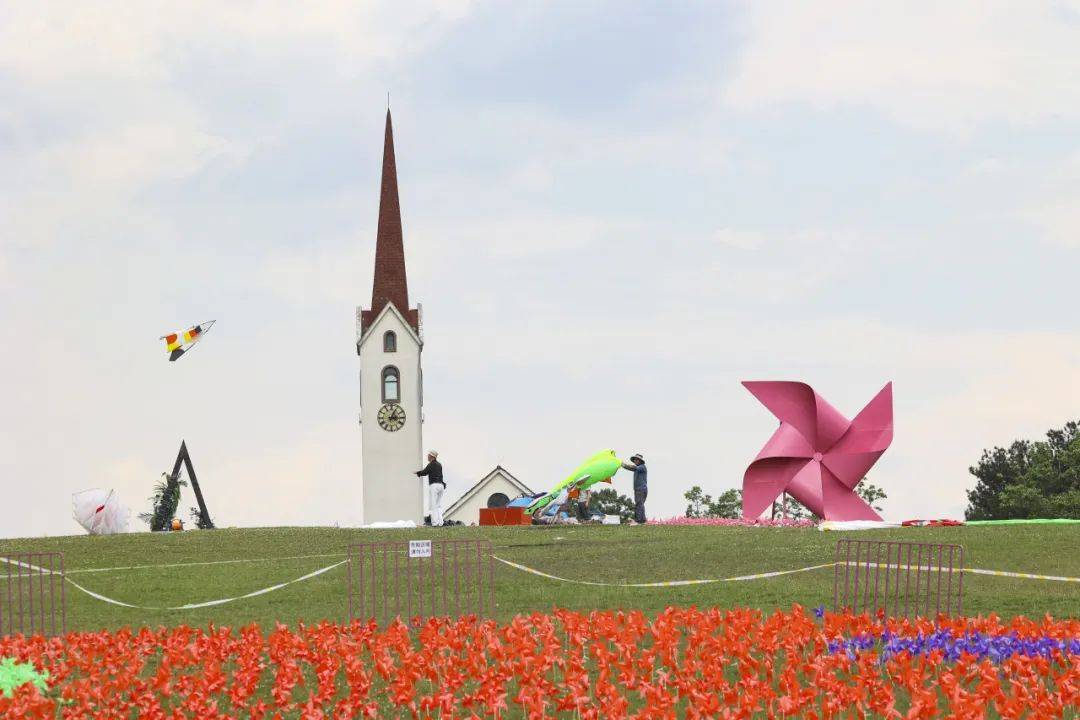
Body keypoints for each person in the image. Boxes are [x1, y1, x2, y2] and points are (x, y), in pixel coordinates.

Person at [416, 451, 445, 527]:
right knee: (438, 505)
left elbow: (425, 472)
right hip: (441, 485)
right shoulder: (439, 464)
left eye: (428, 455)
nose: (427, 457)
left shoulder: (431, 464)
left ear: (432, 456)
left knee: (433, 505)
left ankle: (435, 523)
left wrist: (418, 473)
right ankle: (440, 522)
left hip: (434, 485)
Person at [622, 453, 647, 524]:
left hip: (641, 489)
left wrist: (622, 464)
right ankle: (642, 520)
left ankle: (638, 520)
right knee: (640, 504)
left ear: (640, 461)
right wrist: (623, 465)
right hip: (639, 489)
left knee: (639, 504)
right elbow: (631, 468)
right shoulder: (638, 468)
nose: (635, 461)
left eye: (637, 459)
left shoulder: (642, 467)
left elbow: (632, 467)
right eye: (635, 459)